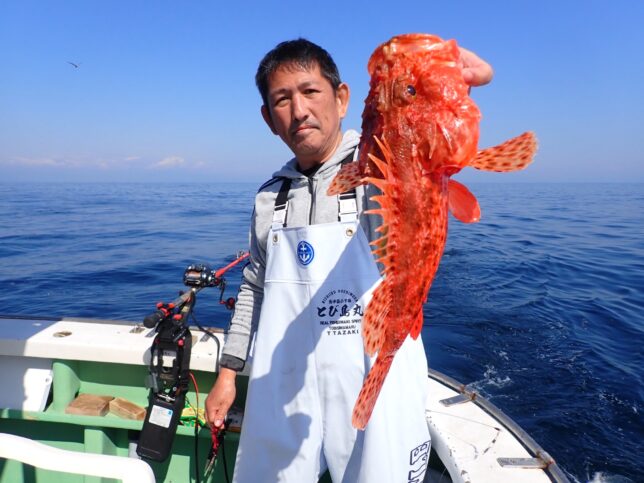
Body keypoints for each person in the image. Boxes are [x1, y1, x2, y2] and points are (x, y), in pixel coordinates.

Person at [205, 38, 493, 482]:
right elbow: (254, 285)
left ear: (342, 99)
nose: (299, 110)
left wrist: (452, 76)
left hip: (374, 371)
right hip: (287, 382)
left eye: (310, 91)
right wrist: (228, 373)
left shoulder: (378, 162)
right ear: (268, 118)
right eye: (282, 99)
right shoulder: (268, 199)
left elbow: (425, 138)